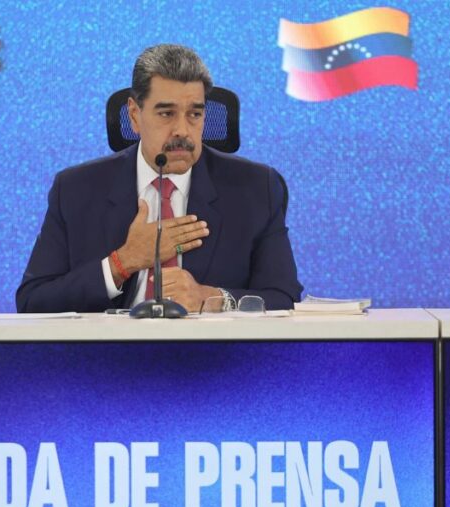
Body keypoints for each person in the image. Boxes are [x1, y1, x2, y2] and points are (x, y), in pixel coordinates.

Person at [16, 44, 302, 313]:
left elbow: (283, 297)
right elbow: (33, 301)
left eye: (195, 114)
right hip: (112, 347)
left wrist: (211, 297)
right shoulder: (76, 190)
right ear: (134, 115)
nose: (183, 130)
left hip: (211, 348)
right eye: (166, 113)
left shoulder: (255, 188)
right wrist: (122, 263)